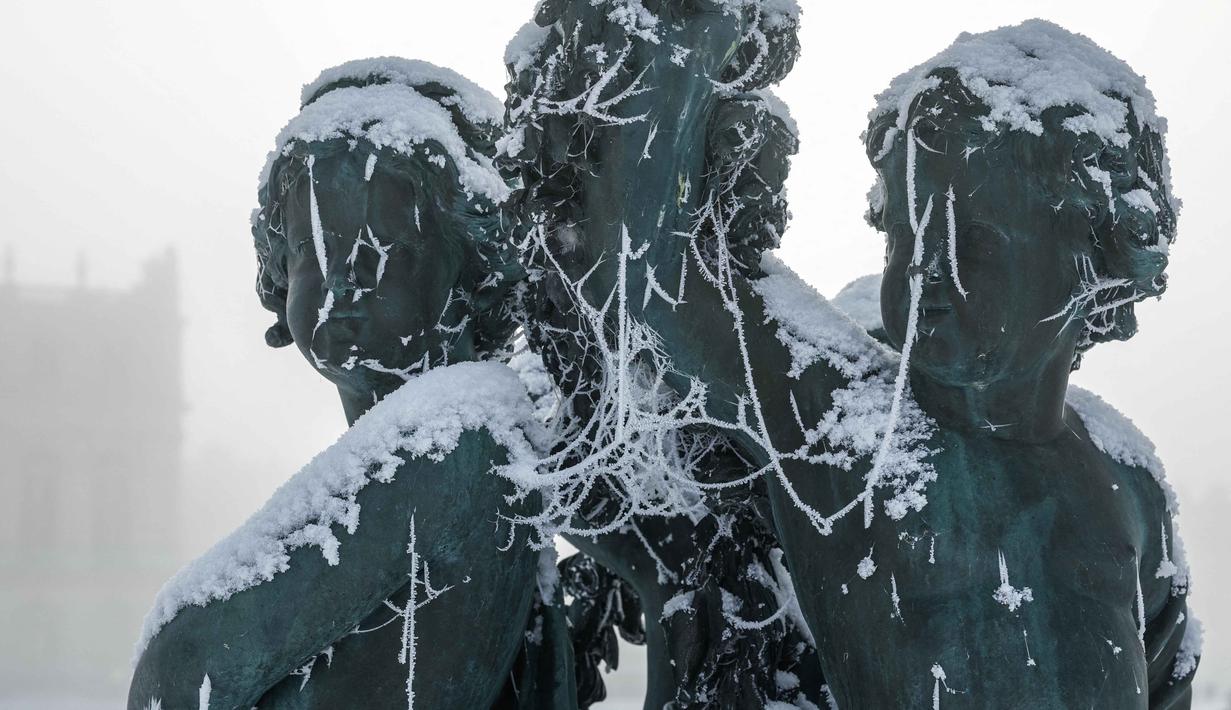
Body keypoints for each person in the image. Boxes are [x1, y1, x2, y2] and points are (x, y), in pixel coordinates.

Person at [506, 8, 1199, 706]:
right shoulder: (840, 427)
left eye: (976, 242)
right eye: (903, 234)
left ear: (1096, 261)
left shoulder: (1128, 481)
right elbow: (651, 273)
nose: (926, 268)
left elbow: (1168, 676)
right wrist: (688, 32)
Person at [128, 58, 573, 709]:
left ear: (474, 269)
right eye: (311, 253)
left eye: (381, 248)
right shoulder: (492, 440)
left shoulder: (458, 443)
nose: (339, 288)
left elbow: (183, 665)